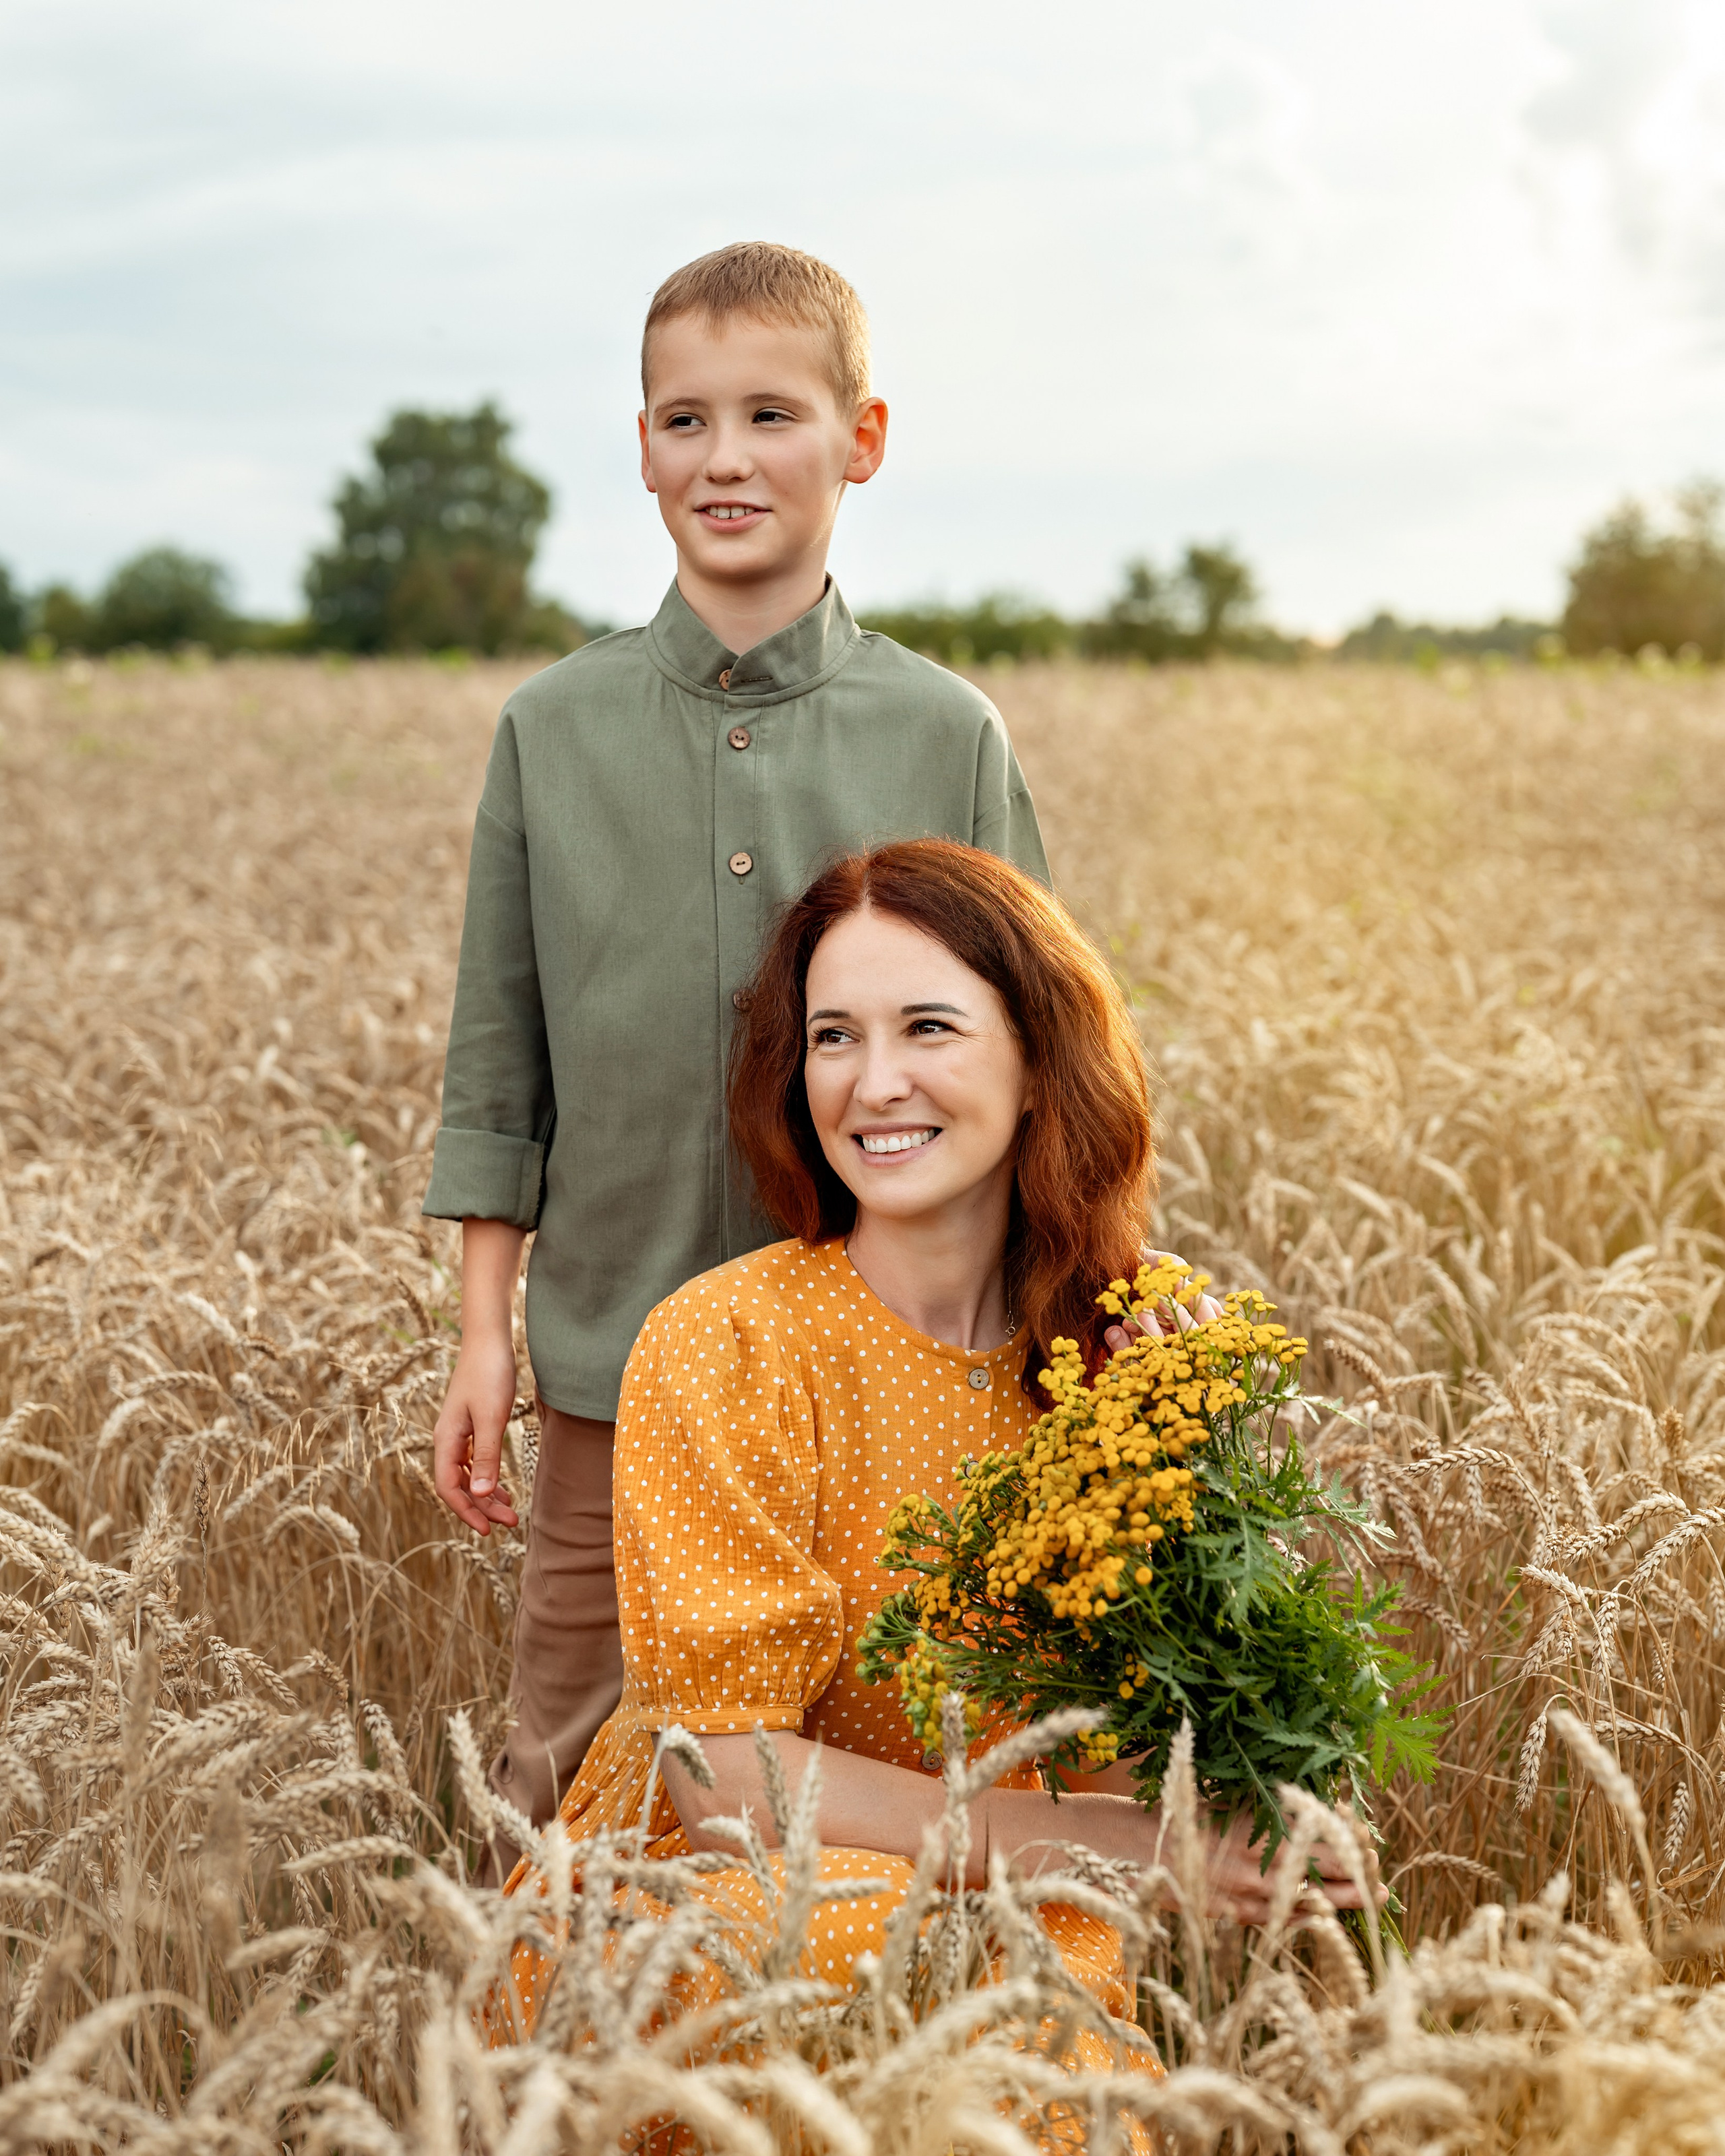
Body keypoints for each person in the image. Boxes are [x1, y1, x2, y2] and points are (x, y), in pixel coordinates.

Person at [495, 839, 1377, 2072]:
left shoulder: (1142, 1356)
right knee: (775, 1983)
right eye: (834, 1038)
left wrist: (1171, 1466)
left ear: (1036, 1067)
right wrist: (1138, 1851)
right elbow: (726, 1784)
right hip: (714, 1909)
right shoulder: (728, 1343)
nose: (874, 1084)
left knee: (1032, 2054)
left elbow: (1159, 1733)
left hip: (1025, 1921)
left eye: (928, 1028)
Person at [422, 245, 1049, 1862]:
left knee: (851, 1798)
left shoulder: (945, 734)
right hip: (610, 1370)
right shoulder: (547, 733)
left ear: (862, 437)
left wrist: (1087, 1312)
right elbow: (503, 1072)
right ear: (640, 447)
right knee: (562, 1795)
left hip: (889, 1382)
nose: (723, 458)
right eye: (682, 419)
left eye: (770, 413)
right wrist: (490, 1333)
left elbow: (1035, 1061)